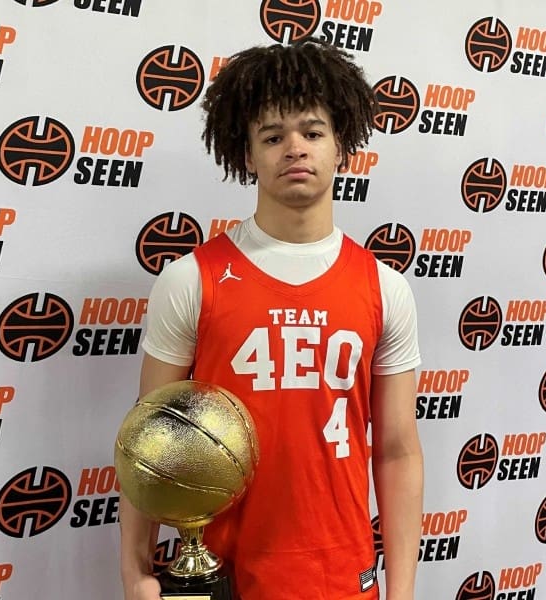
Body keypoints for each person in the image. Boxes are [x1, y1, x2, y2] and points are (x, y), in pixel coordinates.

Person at [120, 38, 423, 600]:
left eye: (313, 132)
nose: (295, 149)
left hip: (342, 577)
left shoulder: (385, 288)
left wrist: (402, 589)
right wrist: (135, 571)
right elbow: (149, 442)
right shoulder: (191, 280)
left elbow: (398, 449)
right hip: (220, 577)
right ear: (248, 155)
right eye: (273, 136)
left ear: (341, 146)